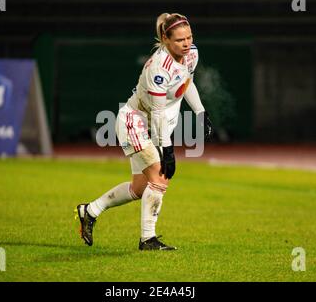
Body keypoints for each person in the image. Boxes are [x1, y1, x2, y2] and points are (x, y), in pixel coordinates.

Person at [75, 13, 213, 251]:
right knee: (160, 177)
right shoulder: (158, 68)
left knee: (139, 189)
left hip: (152, 125)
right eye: (180, 39)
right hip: (135, 122)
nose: (187, 43)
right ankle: (147, 239)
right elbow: (158, 113)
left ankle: (90, 210)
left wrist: (201, 112)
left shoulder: (192, 54)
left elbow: (186, 83)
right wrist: (167, 150)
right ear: (165, 39)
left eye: (189, 37)